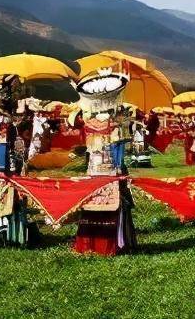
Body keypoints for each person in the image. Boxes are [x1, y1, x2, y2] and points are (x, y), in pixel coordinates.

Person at [71, 67, 137, 256]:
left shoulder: (88, 122)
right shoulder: (116, 124)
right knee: (108, 204)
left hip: (94, 171)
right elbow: (121, 151)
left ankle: (90, 243)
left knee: (92, 205)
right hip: (111, 172)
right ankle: (113, 244)